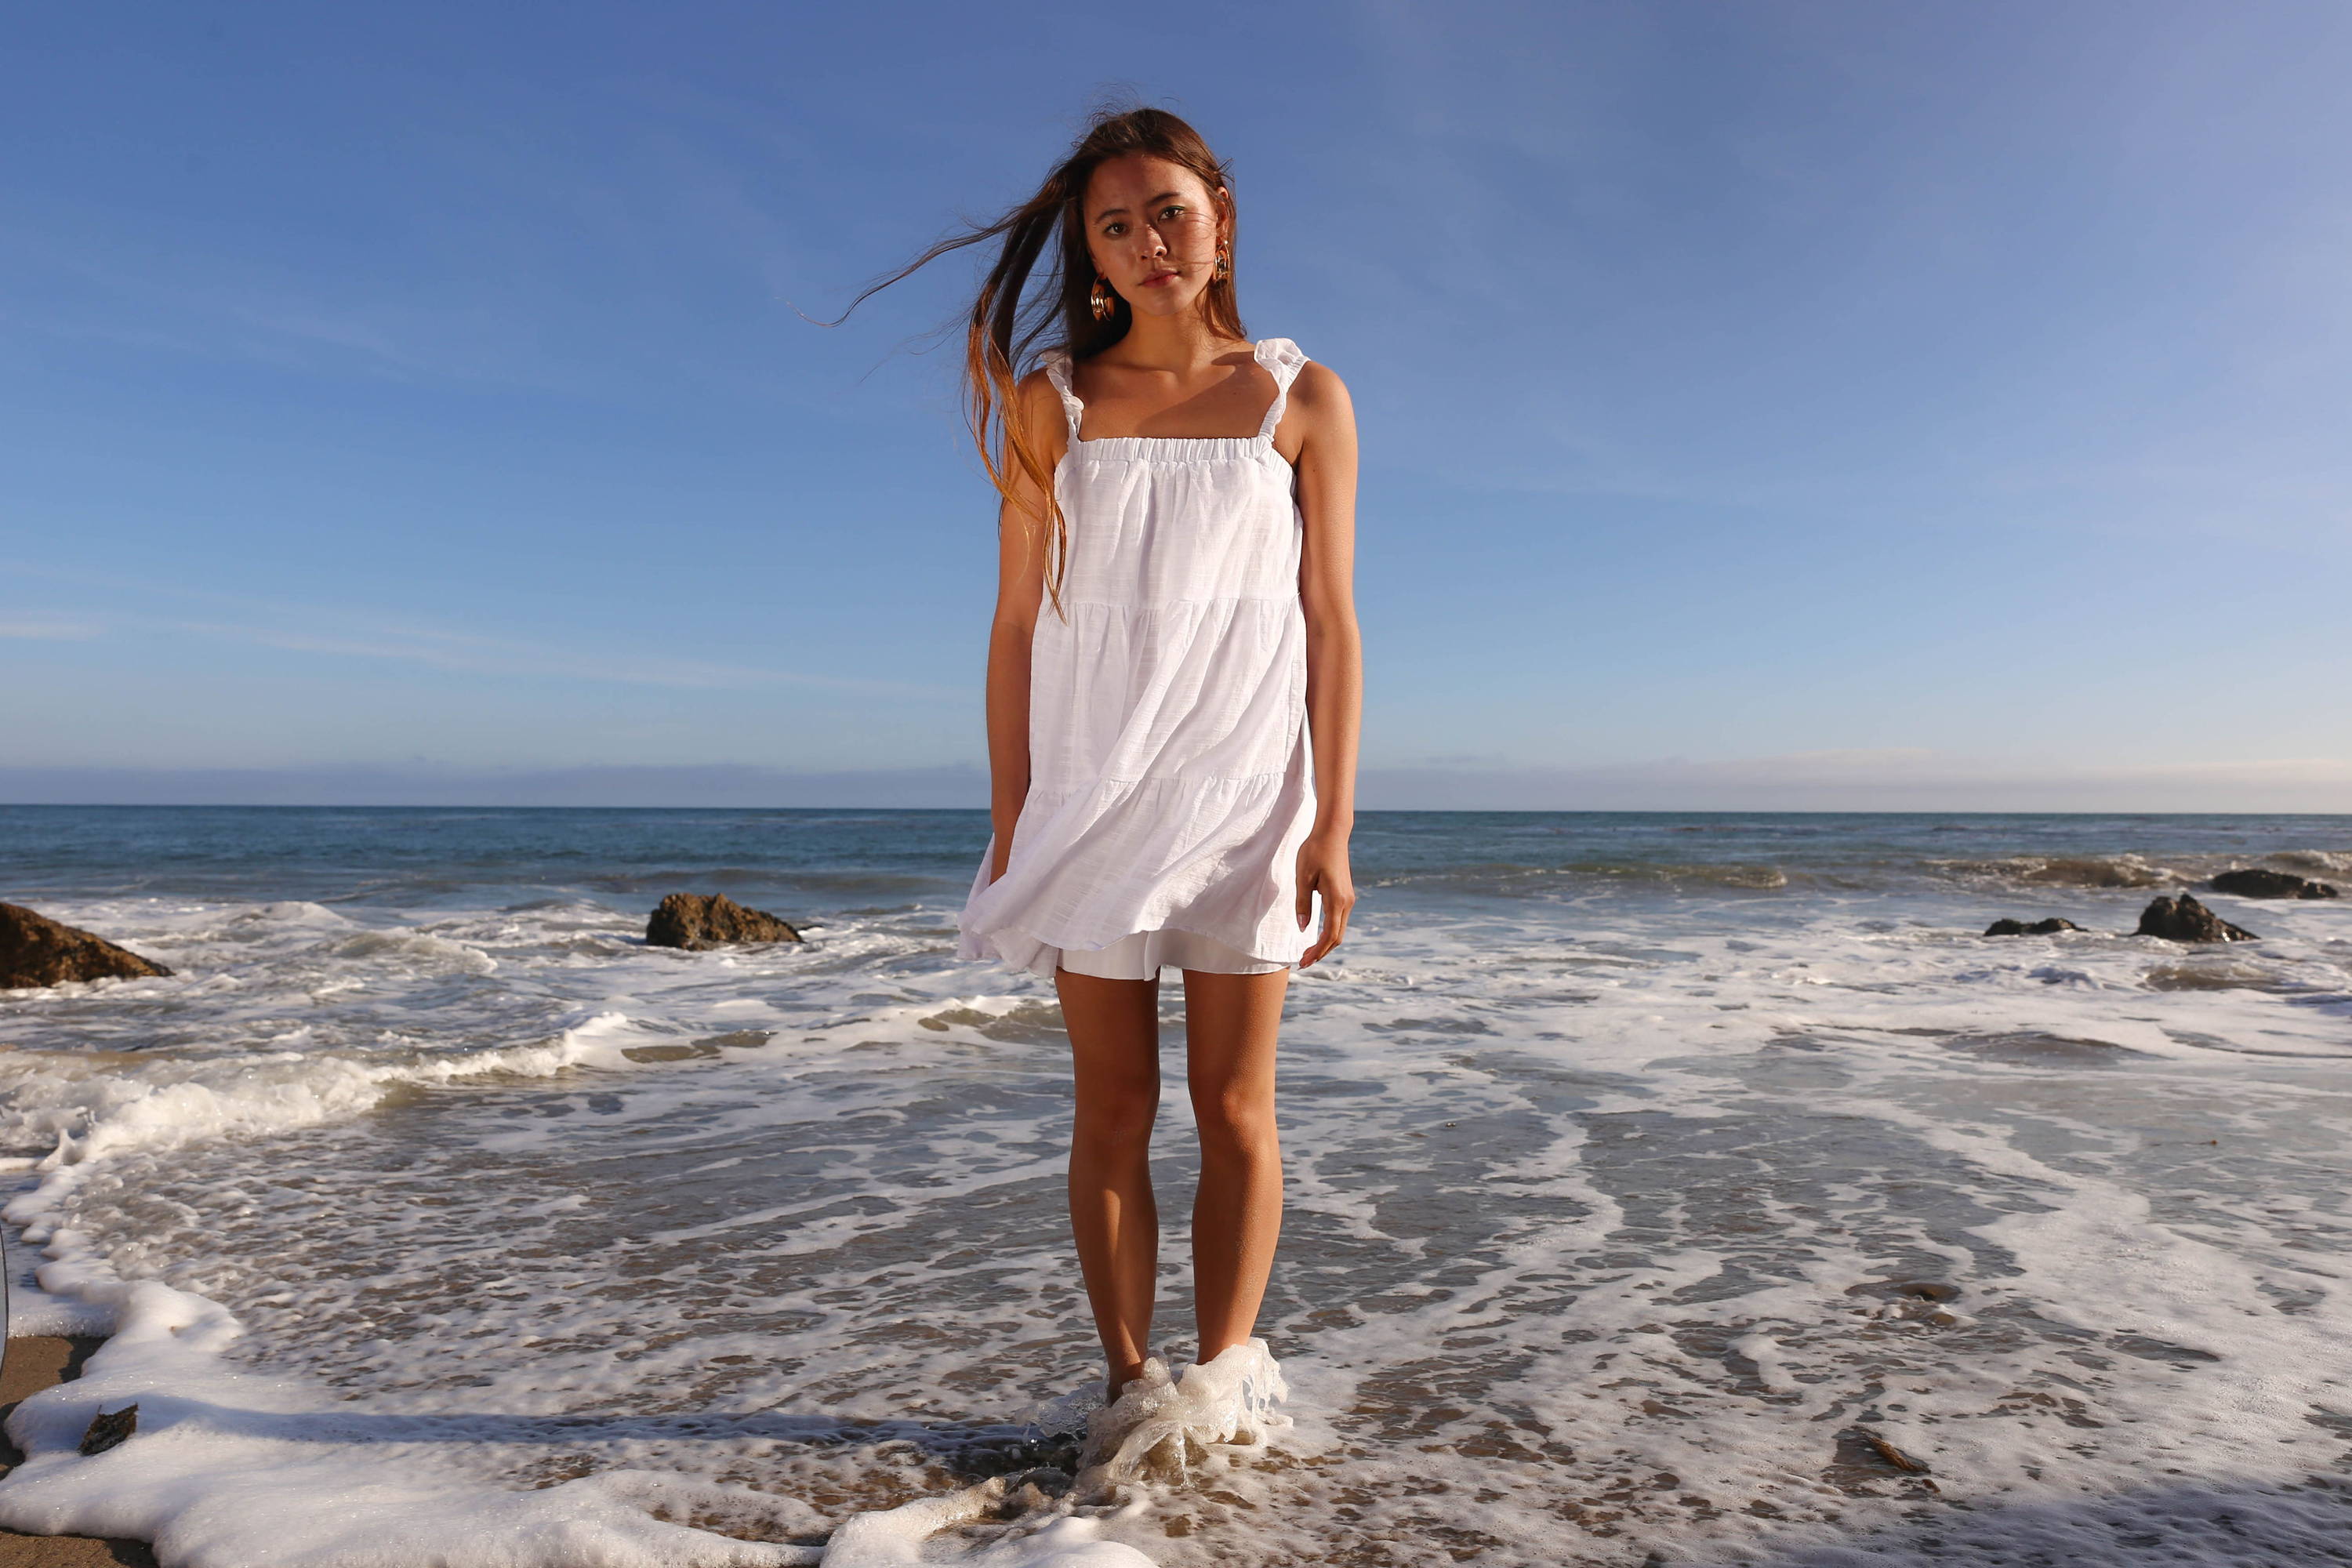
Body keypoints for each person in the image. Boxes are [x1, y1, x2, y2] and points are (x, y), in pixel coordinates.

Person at [853, 105, 1362, 1413]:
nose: (1148, 243)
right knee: (1113, 1108)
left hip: (1247, 794)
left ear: (1222, 221)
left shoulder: (1301, 397)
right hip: (1092, 795)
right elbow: (1016, 622)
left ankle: (1224, 1392)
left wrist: (1332, 826)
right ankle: (1133, 1397)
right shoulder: (1054, 405)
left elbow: (1330, 620)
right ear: (1089, 250)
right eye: (1116, 225)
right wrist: (1016, 813)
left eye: (1170, 214)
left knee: (1237, 1108)